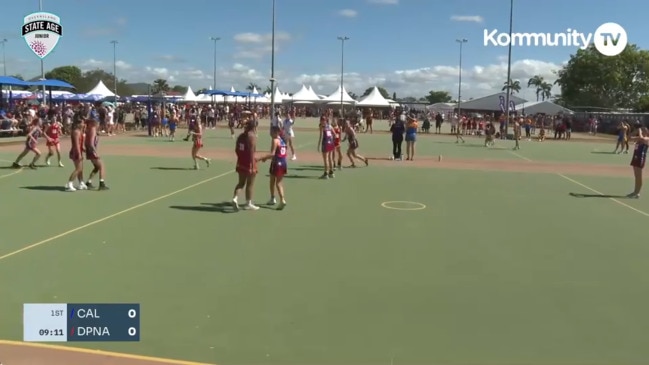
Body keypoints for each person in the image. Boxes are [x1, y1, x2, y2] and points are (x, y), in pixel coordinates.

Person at [258, 126, 288, 208]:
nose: (270, 133)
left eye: (271, 131)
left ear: (276, 132)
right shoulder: (283, 141)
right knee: (276, 181)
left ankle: (280, 199)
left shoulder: (275, 140)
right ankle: (276, 198)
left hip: (276, 163)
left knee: (275, 182)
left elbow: (272, 154)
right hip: (283, 162)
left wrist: (263, 158)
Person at [232, 120, 259, 210]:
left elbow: (236, 150)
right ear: (254, 127)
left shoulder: (240, 136)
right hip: (249, 163)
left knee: (241, 183)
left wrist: (240, 157)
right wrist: (252, 165)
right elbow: (252, 152)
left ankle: (235, 198)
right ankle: (248, 202)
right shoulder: (252, 137)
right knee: (250, 184)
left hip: (241, 162)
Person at [84, 110, 109, 191]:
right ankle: (102, 184)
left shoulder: (90, 129)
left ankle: (88, 182)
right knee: (101, 166)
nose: (98, 122)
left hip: (89, 150)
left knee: (96, 167)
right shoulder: (92, 129)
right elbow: (91, 143)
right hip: (91, 150)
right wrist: (95, 152)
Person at [65, 119, 87, 192]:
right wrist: (79, 154)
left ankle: (81, 183)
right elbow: (77, 144)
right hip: (75, 152)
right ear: (78, 124)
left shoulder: (80, 131)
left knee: (81, 169)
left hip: (79, 151)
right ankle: (69, 184)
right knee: (78, 169)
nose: (84, 124)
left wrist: (84, 149)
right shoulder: (76, 132)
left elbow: (81, 144)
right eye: (82, 123)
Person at [628, 125, 649, 198]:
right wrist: (635, 131)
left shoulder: (646, 138)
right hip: (635, 158)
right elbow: (629, 137)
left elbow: (642, 138)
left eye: (644, 130)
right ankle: (635, 191)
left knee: (639, 176)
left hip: (641, 158)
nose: (642, 131)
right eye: (642, 130)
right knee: (636, 176)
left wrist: (639, 132)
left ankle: (638, 192)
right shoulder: (639, 139)